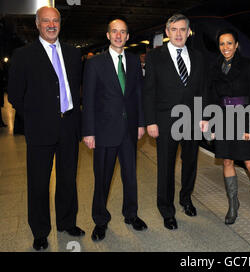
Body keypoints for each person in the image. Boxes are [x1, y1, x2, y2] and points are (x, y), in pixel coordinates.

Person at [7, 6, 85, 250]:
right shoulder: (23, 55)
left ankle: (67, 221)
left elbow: (77, 90)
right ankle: (40, 231)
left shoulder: (74, 54)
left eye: (55, 21)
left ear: (60, 24)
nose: (51, 25)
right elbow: (15, 95)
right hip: (40, 129)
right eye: (46, 21)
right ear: (38, 25)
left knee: (68, 179)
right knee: (39, 183)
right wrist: (35, 116)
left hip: (69, 126)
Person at [82, 18, 147, 241]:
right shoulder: (95, 63)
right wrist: (88, 132)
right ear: (108, 35)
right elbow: (88, 99)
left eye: (123, 32)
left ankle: (131, 214)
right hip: (103, 131)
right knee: (102, 178)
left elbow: (138, 94)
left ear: (128, 36)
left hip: (129, 130)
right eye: (114, 32)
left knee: (130, 177)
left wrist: (140, 123)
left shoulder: (133, 60)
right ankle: (100, 220)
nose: (119, 36)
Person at [142, 14, 207, 230]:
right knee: (166, 167)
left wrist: (205, 116)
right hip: (165, 120)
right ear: (167, 32)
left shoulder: (198, 56)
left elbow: (203, 89)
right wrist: (150, 121)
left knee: (190, 164)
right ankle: (166, 209)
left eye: (182, 29)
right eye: (174, 29)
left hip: (192, 120)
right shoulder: (155, 57)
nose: (178, 34)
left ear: (189, 32)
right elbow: (149, 90)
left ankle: (186, 199)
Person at [208, 28, 250, 231]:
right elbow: (213, 98)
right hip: (224, 118)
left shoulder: (249, 66)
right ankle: (233, 206)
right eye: (222, 44)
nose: (225, 47)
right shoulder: (214, 67)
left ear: (236, 45)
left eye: (229, 43)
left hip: (244, 117)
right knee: (227, 161)